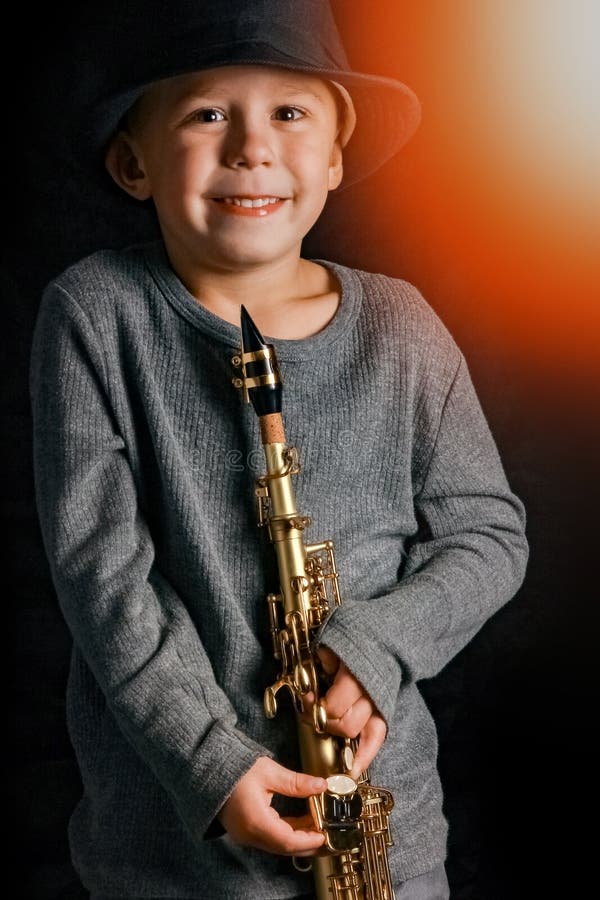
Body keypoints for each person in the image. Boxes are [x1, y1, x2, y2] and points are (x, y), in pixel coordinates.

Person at [29, 2, 528, 898]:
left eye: (291, 112)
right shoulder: (95, 313)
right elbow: (100, 572)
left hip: (388, 833)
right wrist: (209, 764)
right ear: (133, 161)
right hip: (171, 856)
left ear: (336, 154)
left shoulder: (404, 326)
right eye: (207, 113)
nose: (251, 147)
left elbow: (489, 535)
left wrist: (373, 650)